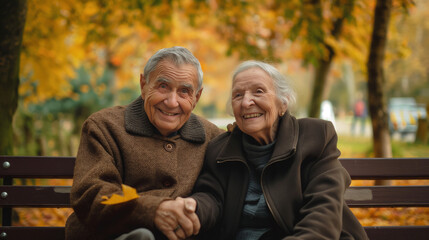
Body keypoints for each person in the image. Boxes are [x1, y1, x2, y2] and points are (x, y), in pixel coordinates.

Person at [174, 60, 368, 239]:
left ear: (283, 103)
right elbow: (211, 197)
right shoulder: (220, 150)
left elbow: (323, 212)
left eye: (258, 91)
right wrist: (195, 208)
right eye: (238, 95)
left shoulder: (315, 137)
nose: (246, 102)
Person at [65, 46, 224, 240]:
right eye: (163, 86)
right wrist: (152, 210)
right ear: (143, 85)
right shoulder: (104, 126)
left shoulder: (213, 137)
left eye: (184, 91)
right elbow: (92, 193)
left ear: (196, 97)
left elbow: (215, 195)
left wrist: (194, 210)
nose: (172, 102)